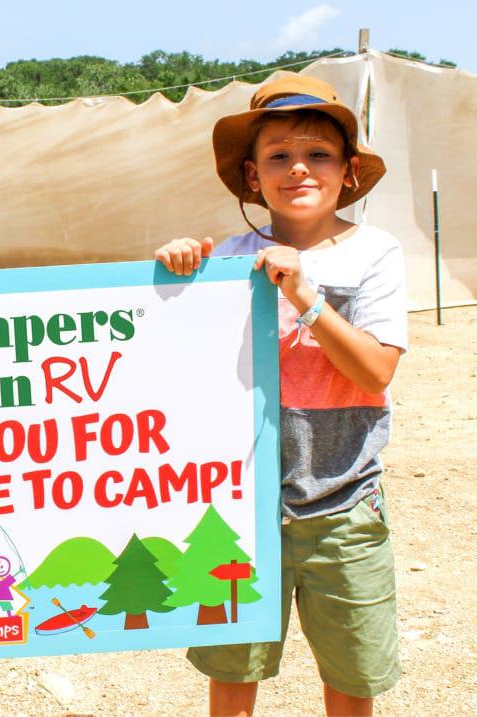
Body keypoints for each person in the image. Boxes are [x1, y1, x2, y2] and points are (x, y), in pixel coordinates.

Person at [155, 75, 406, 717]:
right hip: (241, 507)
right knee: (233, 674)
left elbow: (375, 371)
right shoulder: (229, 257)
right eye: (278, 156)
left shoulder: (376, 253)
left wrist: (306, 295)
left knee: (352, 680)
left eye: (319, 154)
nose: (299, 168)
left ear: (348, 172)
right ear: (252, 175)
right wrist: (175, 269)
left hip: (344, 503)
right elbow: (172, 357)